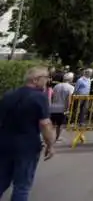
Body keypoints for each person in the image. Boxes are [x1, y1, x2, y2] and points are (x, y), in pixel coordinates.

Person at [0, 66, 56, 201]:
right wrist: (50, 145)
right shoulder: (39, 97)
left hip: (4, 143)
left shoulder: (9, 95)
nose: (47, 81)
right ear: (36, 80)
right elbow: (45, 124)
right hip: (27, 146)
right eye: (46, 78)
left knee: (2, 180)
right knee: (22, 185)